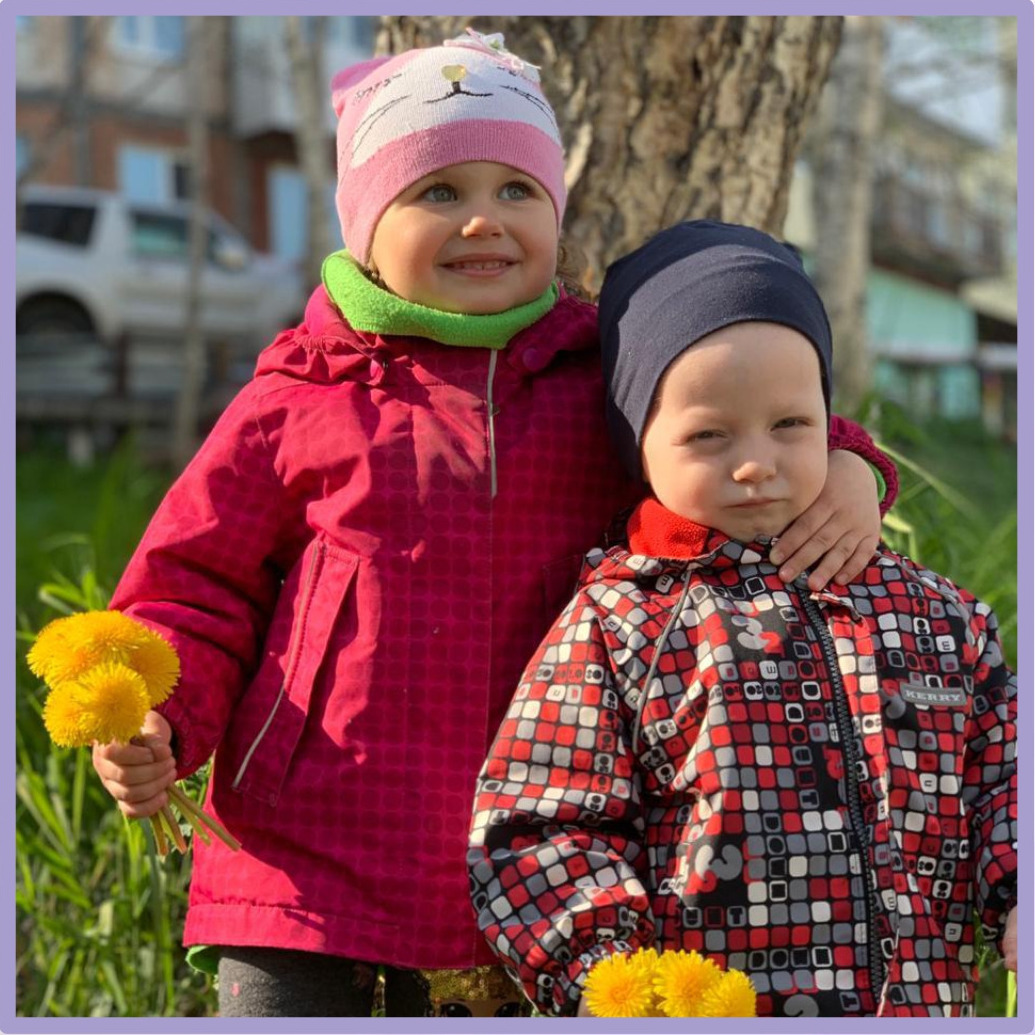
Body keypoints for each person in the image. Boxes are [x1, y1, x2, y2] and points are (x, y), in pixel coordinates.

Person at [90, 31, 897, 1018]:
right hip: (309, 866)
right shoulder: (297, 395)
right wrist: (161, 716)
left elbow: (742, 406)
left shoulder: (603, 380)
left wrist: (853, 464)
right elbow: (196, 586)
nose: (484, 219)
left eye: (517, 191)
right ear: (364, 222)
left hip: (547, 858)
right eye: (439, 192)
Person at [468, 220, 1017, 1018]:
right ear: (637, 444)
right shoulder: (622, 620)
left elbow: (1006, 772)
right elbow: (539, 819)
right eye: (708, 434)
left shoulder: (936, 616)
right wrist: (607, 978)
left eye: (791, 425)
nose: (755, 461)